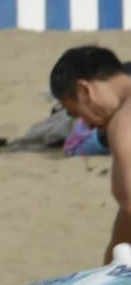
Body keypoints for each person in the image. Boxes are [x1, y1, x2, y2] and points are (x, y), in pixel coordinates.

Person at [51, 46, 131, 262]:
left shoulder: (123, 122)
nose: (88, 125)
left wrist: (108, 270)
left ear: (85, 89)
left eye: (77, 113)